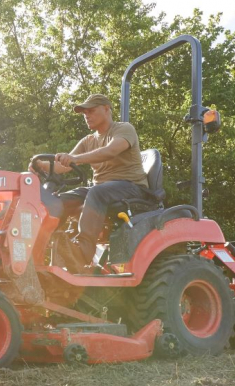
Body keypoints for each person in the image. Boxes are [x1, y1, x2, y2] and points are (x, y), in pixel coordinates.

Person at [29, 93, 155, 268]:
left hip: (131, 187)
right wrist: (41, 165)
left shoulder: (124, 129)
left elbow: (110, 151)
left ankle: (81, 252)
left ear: (106, 109)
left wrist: (75, 159)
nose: (86, 116)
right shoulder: (88, 140)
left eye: (91, 111)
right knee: (59, 201)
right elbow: (62, 166)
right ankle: (40, 256)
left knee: (97, 192)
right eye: (84, 113)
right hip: (101, 189)